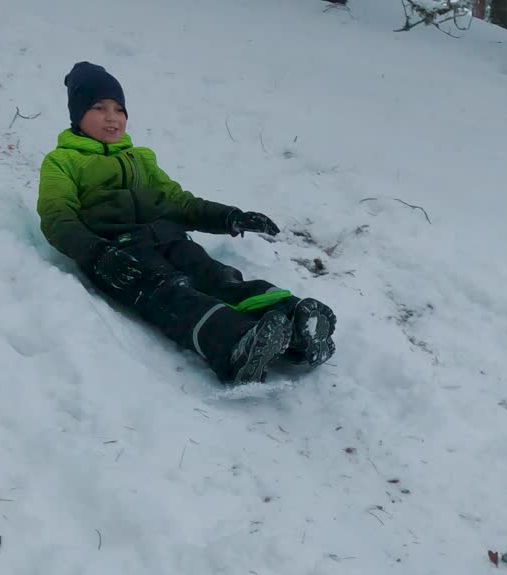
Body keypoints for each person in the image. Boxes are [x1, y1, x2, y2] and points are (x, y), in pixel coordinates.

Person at [36, 61, 336, 384]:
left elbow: (179, 202)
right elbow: (57, 217)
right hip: (121, 255)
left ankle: (296, 322)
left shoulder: (141, 159)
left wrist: (228, 216)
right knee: (170, 293)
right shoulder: (62, 162)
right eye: (99, 107)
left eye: (119, 108)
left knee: (218, 276)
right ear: (77, 115)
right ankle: (238, 345)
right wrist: (97, 253)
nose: (112, 117)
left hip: (170, 238)